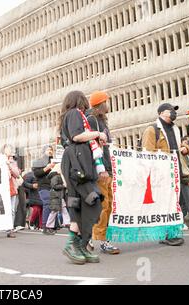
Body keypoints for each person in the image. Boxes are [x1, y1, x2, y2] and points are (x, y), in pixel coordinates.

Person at [59, 90, 104, 264]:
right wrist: (97, 134)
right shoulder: (74, 114)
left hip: (79, 162)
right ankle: (75, 244)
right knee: (92, 199)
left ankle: (79, 246)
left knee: (80, 205)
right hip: (77, 164)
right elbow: (77, 135)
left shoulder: (72, 115)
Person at [141, 103, 185, 246]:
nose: (173, 113)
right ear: (160, 113)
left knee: (174, 202)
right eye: (170, 110)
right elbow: (147, 153)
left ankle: (172, 232)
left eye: (174, 111)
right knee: (164, 203)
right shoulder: (152, 129)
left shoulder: (175, 129)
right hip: (161, 174)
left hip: (175, 171)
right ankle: (166, 234)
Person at [86, 91, 120, 255]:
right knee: (103, 205)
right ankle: (95, 238)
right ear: (100, 104)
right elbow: (92, 145)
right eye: (106, 101)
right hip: (101, 170)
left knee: (109, 205)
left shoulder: (102, 122)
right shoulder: (93, 120)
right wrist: (101, 168)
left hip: (108, 168)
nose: (108, 104)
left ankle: (97, 239)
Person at [0, 144, 20, 238]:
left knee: (12, 210)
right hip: (1, 189)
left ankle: (9, 230)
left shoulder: (12, 162)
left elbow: (17, 174)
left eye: (11, 149)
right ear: (3, 150)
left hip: (11, 188)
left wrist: (10, 167)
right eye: (8, 149)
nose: (10, 150)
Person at [32, 145, 56, 235]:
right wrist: (47, 167)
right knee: (47, 204)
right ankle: (45, 226)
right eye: (48, 149)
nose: (50, 151)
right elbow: (37, 173)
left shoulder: (53, 161)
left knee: (53, 206)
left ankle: (50, 226)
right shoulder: (39, 161)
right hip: (43, 186)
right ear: (43, 151)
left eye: (51, 150)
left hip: (53, 186)